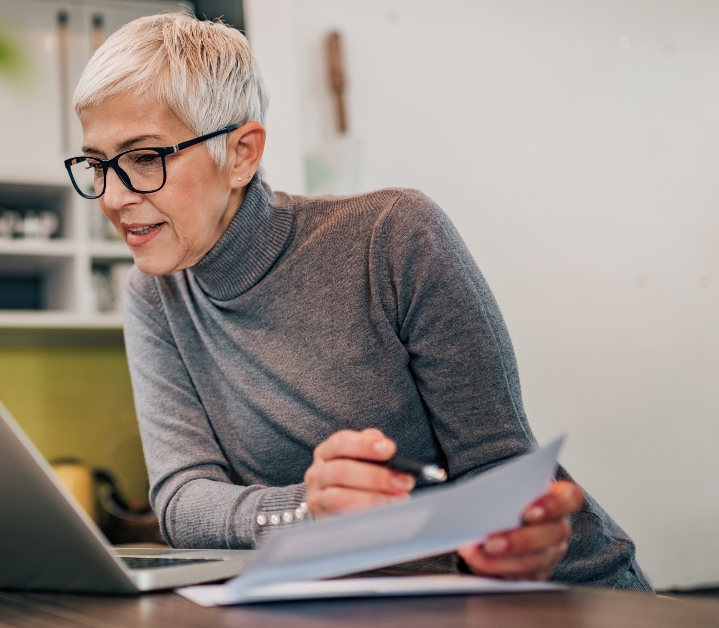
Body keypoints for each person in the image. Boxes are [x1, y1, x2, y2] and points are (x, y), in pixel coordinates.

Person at [65, 13, 649, 589]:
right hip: (375, 602)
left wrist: (506, 535)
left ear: (241, 154)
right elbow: (182, 500)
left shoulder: (394, 236)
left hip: (563, 593)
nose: (112, 198)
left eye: (144, 158)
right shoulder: (153, 294)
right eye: (97, 164)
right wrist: (306, 510)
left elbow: (497, 472)